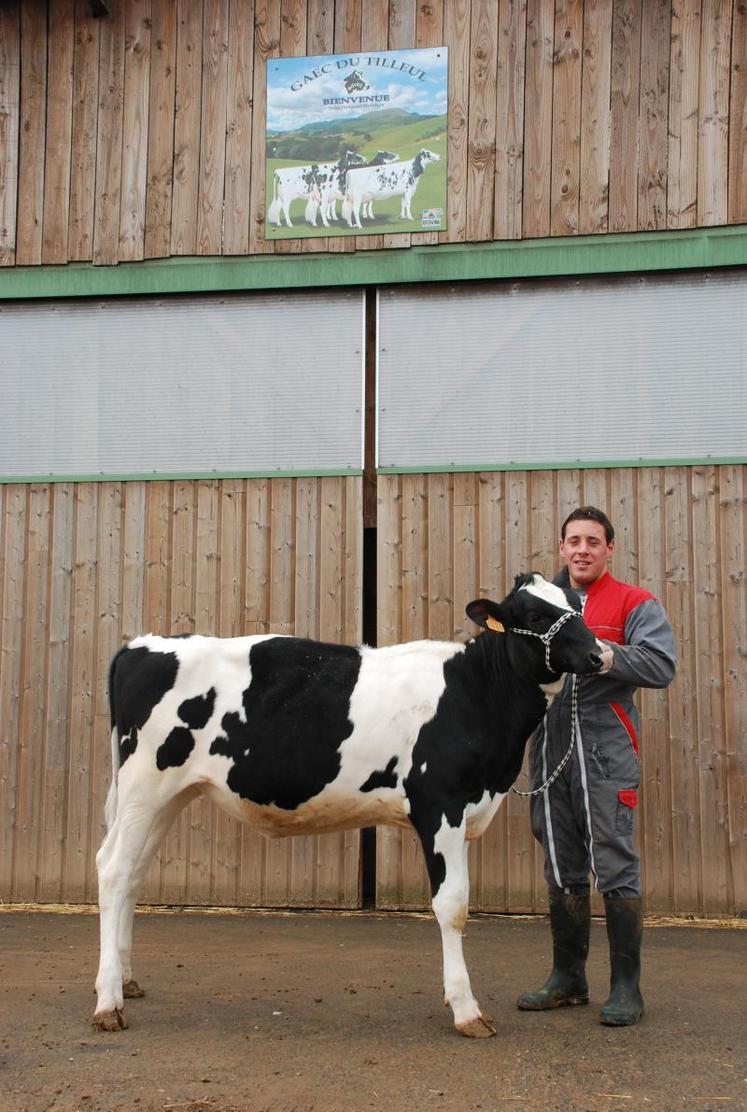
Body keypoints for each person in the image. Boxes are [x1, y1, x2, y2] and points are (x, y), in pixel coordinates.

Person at [516, 506, 676, 1026]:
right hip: (549, 745)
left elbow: (661, 663)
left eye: (593, 541)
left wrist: (608, 655)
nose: (582, 549)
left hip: (607, 747)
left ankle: (627, 987)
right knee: (560, 859)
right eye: (573, 541)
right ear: (561, 548)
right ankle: (568, 978)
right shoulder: (540, 601)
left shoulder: (635, 602)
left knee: (613, 858)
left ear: (609, 549)